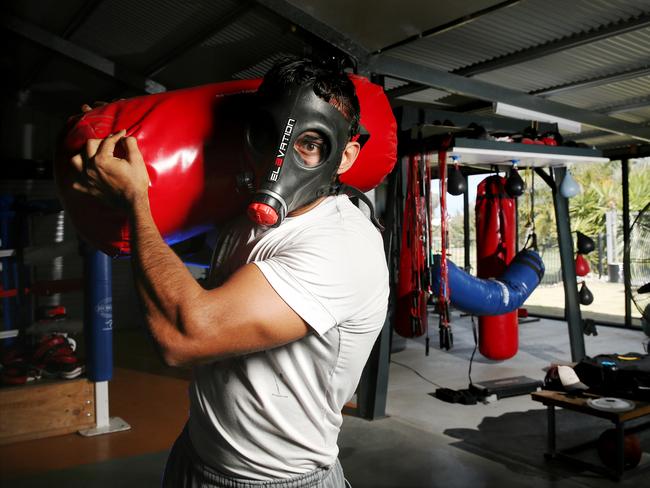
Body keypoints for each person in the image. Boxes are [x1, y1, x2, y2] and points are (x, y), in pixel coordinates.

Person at [70, 57, 389, 487]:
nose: (281, 163)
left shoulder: (344, 245)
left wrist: (136, 201)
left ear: (345, 155)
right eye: (270, 137)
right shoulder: (247, 217)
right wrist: (120, 130)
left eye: (310, 144)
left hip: (280, 480)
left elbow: (184, 337)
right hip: (196, 456)